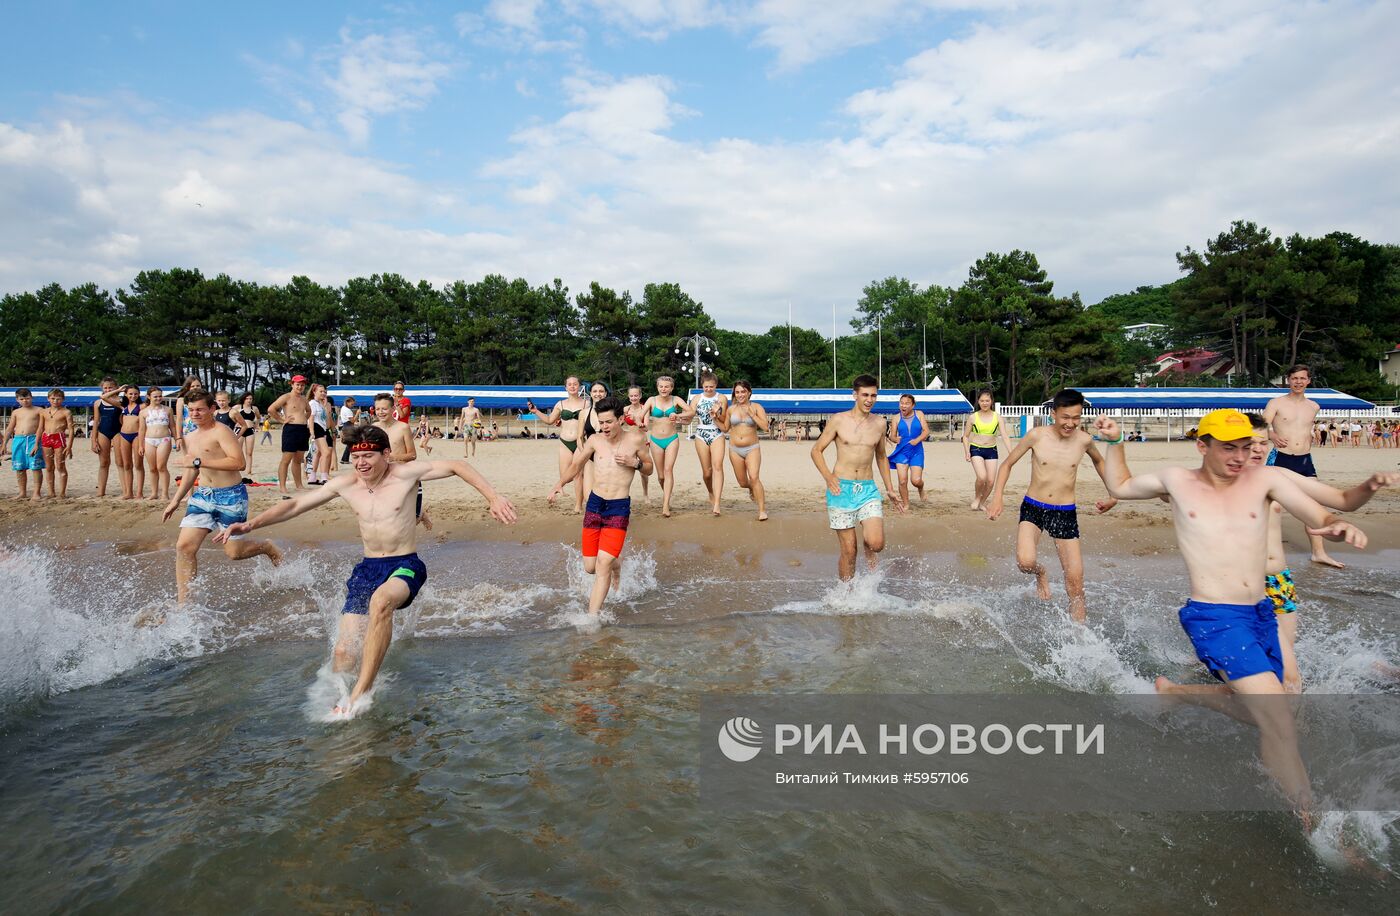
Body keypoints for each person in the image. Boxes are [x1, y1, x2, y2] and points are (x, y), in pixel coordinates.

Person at [1096, 409, 1367, 820]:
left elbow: (1320, 513)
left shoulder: (1267, 480)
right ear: (1202, 446)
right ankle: (1311, 819)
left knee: (1274, 710)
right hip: (1215, 616)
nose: (1240, 457)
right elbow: (1119, 485)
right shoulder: (1177, 481)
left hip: (1261, 613)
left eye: (1245, 447)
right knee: (1278, 718)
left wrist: (1335, 525)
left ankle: (1178, 694)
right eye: (1229, 448)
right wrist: (1115, 443)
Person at [216, 425, 516, 717]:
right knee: (344, 654)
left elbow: (457, 465)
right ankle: (337, 694)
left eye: (368, 456)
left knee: (381, 603)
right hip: (367, 569)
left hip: (405, 565)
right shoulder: (346, 484)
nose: (361, 463)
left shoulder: (405, 475)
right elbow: (295, 506)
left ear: (386, 454)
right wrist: (251, 524)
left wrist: (493, 497)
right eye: (356, 457)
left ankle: (364, 689)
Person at [985, 389, 1118, 623]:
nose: (1070, 423)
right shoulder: (1036, 436)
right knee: (1025, 562)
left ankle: (1080, 638)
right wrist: (998, 497)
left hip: (1065, 512)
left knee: (1076, 584)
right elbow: (1006, 464)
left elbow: (1100, 462)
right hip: (1033, 507)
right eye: (1065, 417)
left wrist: (1113, 494)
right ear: (1054, 413)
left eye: (1076, 418)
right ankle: (1041, 572)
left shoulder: (1084, 440)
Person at [161, 391, 283, 603]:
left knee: (234, 553)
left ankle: (266, 546)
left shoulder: (222, 431)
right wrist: (175, 500)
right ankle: (185, 604)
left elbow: (238, 463)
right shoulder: (189, 437)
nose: (195, 414)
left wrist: (199, 462)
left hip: (231, 496)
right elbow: (192, 470)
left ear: (212, 409)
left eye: (200, 409)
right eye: (191, 410)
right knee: (184, 547)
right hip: (203, 496)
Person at [548, 396, 652, 616]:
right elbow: (577, 464)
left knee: (602, 564)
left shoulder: (635, 440)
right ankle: (617, 564)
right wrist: (560, 483)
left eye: (608, 422)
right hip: (595, 504)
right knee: (590, 567)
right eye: (601, 422)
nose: (604, 427)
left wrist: (636, 463)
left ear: (620, 420)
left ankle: (591, 618)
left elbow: (649, 468)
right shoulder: (595, 440)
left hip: (618, 507)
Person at [810, 375, 905, 580]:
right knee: (849, 551)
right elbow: (816, 451)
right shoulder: (838, 420)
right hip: (840, 489)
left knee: (876, 544)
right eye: (865, 395)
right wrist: (828, 477)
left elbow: (881, 456)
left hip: (867, 488)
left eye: (873, 395)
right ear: (855, 395)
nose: (869, 400)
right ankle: (846, 594)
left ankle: (868, 544)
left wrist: (890, 488)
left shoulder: (880, 423)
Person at [1263, 365, 1343, 568]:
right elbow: (1261, 425)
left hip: (1304, 460)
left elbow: (1305, 429)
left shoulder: (1314, 406)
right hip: (1280, 458)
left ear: (1308, 381)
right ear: (1288, 380)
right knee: (1271, 506)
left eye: (1302, 378)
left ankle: (1319, 553)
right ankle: (1260, 551)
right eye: (1294, 378)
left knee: (1313, 507)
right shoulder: (1276, 403)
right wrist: (1272, 435)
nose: (1298, 382)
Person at [526, 376, 592, 513]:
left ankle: (578, 505)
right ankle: (560, 490)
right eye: (570, 384)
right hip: (564, 442)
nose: (573, 386)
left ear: (579, 387)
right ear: (565, 387)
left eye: (575, 384)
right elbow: (550, 420)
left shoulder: (587, 404)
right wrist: (536, 411)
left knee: (578, 474)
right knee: (565, 476)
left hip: (580, 441)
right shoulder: (560, 404)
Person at [373, 392, 431, 529]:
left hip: (405, 475)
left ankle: (421, 514)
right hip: (384, 477)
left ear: (393, 409)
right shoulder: (374, 428)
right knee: (389, 517)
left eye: (384, 409)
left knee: (412, 520)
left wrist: (393, 457)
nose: (380, 412)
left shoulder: (403, 427)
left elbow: (412, 455)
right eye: (377, 409)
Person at [716, 379, 770, 520]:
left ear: (749, 392)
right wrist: (715, 418)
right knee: (742, 483)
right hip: (735, 450)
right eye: (737, 392)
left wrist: (752, 415)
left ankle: (762, 510)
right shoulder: (731, 409)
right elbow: (725, 428)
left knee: (754, 477)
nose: (740, 395)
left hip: (752, 448)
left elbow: (765, 427)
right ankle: (751, 488)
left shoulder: (757, 407)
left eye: (743, 392)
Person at [641, 375, 693, 517]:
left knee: (668, 469)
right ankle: (667, 496)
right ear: (657, 387)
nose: (664, 389)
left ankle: (665, 506)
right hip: (656, 440)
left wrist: (678, 416)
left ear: (671, 388)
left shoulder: (675, 399)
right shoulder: (651, 400)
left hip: (671, 439)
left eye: (667, 386)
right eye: (661, 386)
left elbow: (691, 411)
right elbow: (641, 414)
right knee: (661, 476)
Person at [961, 388, 1012, 511]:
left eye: (987, 400)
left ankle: (982, 502)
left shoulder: (997, 417)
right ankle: (977, 498)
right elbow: (965, 436)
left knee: (990, 481)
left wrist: (1012, 452)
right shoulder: (973, 417)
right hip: (976, 449)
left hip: (991, 450)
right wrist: (967, 451)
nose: (985, 403)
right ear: (978, 401)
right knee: (982, 477)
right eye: (982, 400)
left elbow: (1004, 435)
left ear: (992, 401)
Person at [688, 372, 729, 515]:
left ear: (716, 385)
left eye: (711, 387)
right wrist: (678, 417)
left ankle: (717, 503)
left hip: (717, 433)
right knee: (707, 472)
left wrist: (718, 412)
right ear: (702, 385)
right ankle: (710, 491)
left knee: (718, 467)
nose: (709, 389)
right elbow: (690, 415)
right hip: (701, 434)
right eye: (706, 387)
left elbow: (725, 419)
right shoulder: (697, 398)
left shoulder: (721, 398)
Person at [268, 375, 313, 496]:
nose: (300, 387)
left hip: (303, 429)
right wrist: (282, 420)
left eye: (302, 385)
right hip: (291, 429)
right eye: (298, 384)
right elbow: (271, 409)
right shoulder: (286, 397)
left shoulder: (303, 399)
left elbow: (309, 411)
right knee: (286, 459)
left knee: (298, 460)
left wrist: (304, 418)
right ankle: (282, 486)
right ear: (292, 384)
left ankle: (299, 485)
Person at [886, 393, 930, 506]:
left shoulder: (919, 414)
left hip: (916, 451)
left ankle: (921, 488)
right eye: (901, 403)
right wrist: (895, 439)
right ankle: (906, 504)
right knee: (902, 481)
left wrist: (917, 440)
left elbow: (926, 431)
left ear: (913, 405)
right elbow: (892, 436)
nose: (903, 406)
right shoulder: (896, 418)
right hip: (902, 452)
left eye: (907, 403)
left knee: (916, 480)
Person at [5, 388, 45, 500]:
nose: (25, 401)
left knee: (35, 466)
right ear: (17, 399)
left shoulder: (39, 410)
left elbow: (41, 428)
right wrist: (4, 444)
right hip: (18, 439)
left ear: (31, 398)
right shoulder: (16, 412)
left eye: (27, 398)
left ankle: (36, 493)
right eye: (22, 399)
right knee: (19, 467)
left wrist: (37, 443)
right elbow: (9, 429)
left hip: (33, 439)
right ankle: (22, 492)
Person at [138, 386, 175, 502]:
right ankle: (154, 493)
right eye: (155, 396)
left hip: (164, 439)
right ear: (149, 397)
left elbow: (172, 426)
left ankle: (165, 493)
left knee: (161, 467)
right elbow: (142, 430)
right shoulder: (143, 412)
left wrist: (177, 438)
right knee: (152, 468)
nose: (158, 398)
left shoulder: (168, 410)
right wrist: (140, 445)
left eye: (160, 396)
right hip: (149, 440)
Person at [38, 388, 74, 499]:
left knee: (60, 466)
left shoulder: (66, 412)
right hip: (46, 438)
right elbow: (40, 428)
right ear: (48, 399)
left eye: (58, 399)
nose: (55, 401)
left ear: (63, 399)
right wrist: (36, 443)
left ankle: (62, 493)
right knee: (49, 467)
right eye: (53, 398)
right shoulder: (44, 412)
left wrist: (69, 446)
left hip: (59, 438)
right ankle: (51, 492)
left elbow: (71, 429)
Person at [90, 377, 123, 497]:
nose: (108, 389)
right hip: (103, 432)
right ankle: (101, 491)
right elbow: (96, 422)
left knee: (120, 462)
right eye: (105, 388)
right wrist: (93, 440)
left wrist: (116, 392)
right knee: (104, 463)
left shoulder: (120, 401)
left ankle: (125, 490)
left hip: (118, 432)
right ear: (102, 389)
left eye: (111, 387)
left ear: (116, 388)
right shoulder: (98, 403)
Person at [622, 386, 651, 498]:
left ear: (640, 396)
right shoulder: (625, 410)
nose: (634, 398)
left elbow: (646, 428)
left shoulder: (645, 409)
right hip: (629, 442)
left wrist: (636, 420)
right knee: (627, 469)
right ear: (628, 397)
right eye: (631, 396)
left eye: (636, 395)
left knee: (644, 471)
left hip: (643, 442)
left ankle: (645, 494)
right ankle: (625, 494)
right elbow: (618, 423)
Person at [117, 384, 144, 499]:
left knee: (138, 464)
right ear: (126, 395)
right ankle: (129, 492)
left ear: (139, 394)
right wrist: (118, 390)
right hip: (123, 435)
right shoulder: (123, 406)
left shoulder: (142, 406)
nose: (133, 396)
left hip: (137, 435)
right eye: (130, 393)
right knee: (127, 465)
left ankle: (139, 492)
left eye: (135, 393)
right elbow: (104, 397)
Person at [237, 393, 261, 482]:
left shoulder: (254, 409)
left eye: (250, 398)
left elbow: (258, 417)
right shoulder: (238, 407)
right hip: (239, 430)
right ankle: (237, 467)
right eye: (247, 398)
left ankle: (249, 470)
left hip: (250, 430)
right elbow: (231, 416)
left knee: (249, 452)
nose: (249, 400)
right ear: (244, 399)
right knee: (238, 450)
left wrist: (256, 425)